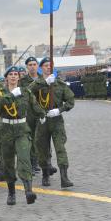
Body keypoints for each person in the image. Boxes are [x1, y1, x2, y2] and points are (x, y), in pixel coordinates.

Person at [0, 66, 45, 205]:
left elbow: (35, 105)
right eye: (11, 74)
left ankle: (28, 191)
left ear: (18, 77)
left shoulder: (26, 92)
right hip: (5, 130)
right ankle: (11, 192)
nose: (14, 76)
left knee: (24, 158)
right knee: (8, 163)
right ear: (6, 78)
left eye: (16, 74)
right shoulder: (0, 92)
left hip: (22, 129)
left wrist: (42, 114)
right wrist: (11, 95)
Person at [29, 58, 75, 188]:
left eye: (50, 66)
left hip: (56, 120)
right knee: (42, 149)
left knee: (60, 148)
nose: (48, 68)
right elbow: (28, 92)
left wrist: (60, 110)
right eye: (45, 66)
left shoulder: (59, 84)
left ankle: (64, 177)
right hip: (42, 121)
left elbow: (71, 100)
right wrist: (44, 82)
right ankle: (45, 174)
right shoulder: (37, 83)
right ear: (41, 68)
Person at [19, 56, 43, 175]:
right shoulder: (22, 81)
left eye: (34, 64)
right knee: (30, 138)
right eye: (30, 65)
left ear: (37, 66)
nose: (32, 67)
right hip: (29, 112)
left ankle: (41, 161)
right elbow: (24, 93)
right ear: (27, 67)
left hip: (42, 111)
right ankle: (32, 162)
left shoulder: (44, 78)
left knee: (41, 138)